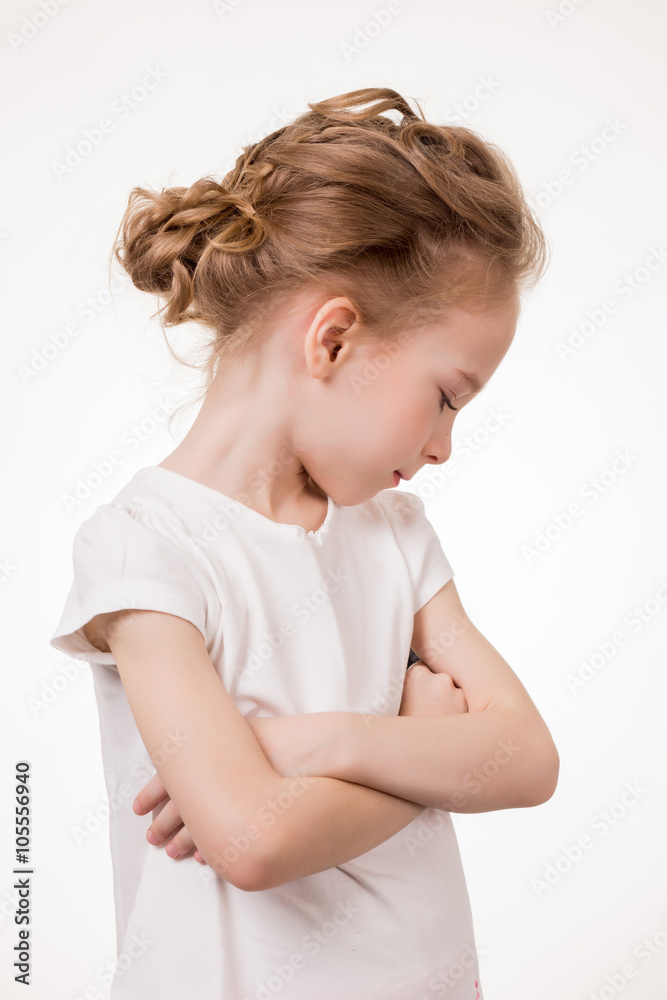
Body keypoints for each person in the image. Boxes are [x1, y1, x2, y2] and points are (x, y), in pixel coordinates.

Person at [49, 86, 559, 999]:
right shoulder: (143, 550)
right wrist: (423, 746)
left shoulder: (396, 537)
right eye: (447, 395)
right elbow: (253, 839)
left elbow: (525, 760)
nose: (444, 446)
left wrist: (308, 745)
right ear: (332, 340)